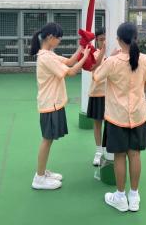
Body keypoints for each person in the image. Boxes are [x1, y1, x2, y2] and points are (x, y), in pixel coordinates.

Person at [93, 22, 146, 212]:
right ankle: (134, 196)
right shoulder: (144, 59)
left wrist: (109, 58)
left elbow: (96, 76)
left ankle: (120, 197)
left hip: (116, 116)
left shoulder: (112, 61)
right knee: (135, 154)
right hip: (138, 115)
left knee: (119, 156)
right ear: (136, 37)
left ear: (119, 40)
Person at [30, 22, 91, 190]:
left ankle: (42, 172)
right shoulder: (46, 57)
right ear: (50, 37)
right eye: (59, 38)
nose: (60, 41)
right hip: (50, 103)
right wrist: (85, 57)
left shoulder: (49, 54)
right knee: (47, 140)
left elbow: (70, 61)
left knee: (48, 140)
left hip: (52, 102)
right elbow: (70, 72)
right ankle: (39, 178)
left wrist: (82, 47)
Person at [85, 27, 107, 166]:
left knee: (112, 125)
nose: (103, 42)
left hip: (112, 94)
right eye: (100, 39)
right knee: (98, 123)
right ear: (97, 41)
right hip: (97, 93)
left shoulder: (118, 53)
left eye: (105, 39)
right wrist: (104, 53)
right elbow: (95, 67)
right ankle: (99, 151)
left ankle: (109, 150)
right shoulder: (95, 53)